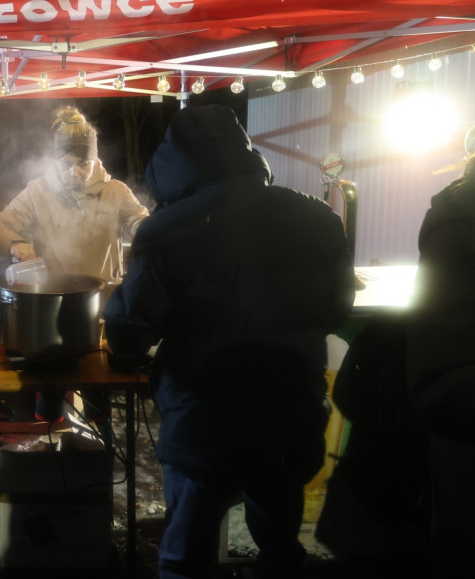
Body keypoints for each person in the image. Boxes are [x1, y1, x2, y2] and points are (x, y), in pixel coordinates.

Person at [103, 105, 356, 579]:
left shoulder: (165, 229)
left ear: (173, 164)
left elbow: (130, 332)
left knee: (186, 558)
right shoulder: (317, 217)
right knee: (280, 550)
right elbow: (337, 310)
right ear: (246, 153)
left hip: (204, 425)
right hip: (289, 415)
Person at [0, 105, 148, 422]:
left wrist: (144, 231)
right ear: (55, 160)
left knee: (99, 393)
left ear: (94, 160)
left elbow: (142, 222)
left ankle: (99, 455)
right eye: (67, 164)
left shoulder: (116, 192)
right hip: (50, 315)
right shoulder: (38, 191)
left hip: (101, 315)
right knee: (51, 395)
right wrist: (15, 244)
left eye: (83, 164)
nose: (74, 173)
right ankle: (51, 452)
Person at [406, 128, 475, 577]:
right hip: (461, 396)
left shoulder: (456, 209)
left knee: (460, 538)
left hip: (459, 400)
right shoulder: (458, 213)